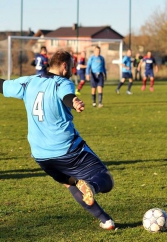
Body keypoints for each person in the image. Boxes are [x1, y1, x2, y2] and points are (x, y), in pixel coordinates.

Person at [0, 50, 115, 230]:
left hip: (41, 156)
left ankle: (106, 221)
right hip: (68, 150)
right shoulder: (62, 82)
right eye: (71, 66)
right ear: (63, 66)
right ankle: (92, 187)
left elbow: (3, 85)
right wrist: (75, 102)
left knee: (72, 184)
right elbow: (68, 96)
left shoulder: (28, 81)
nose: (72, 69)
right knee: (106, 180)